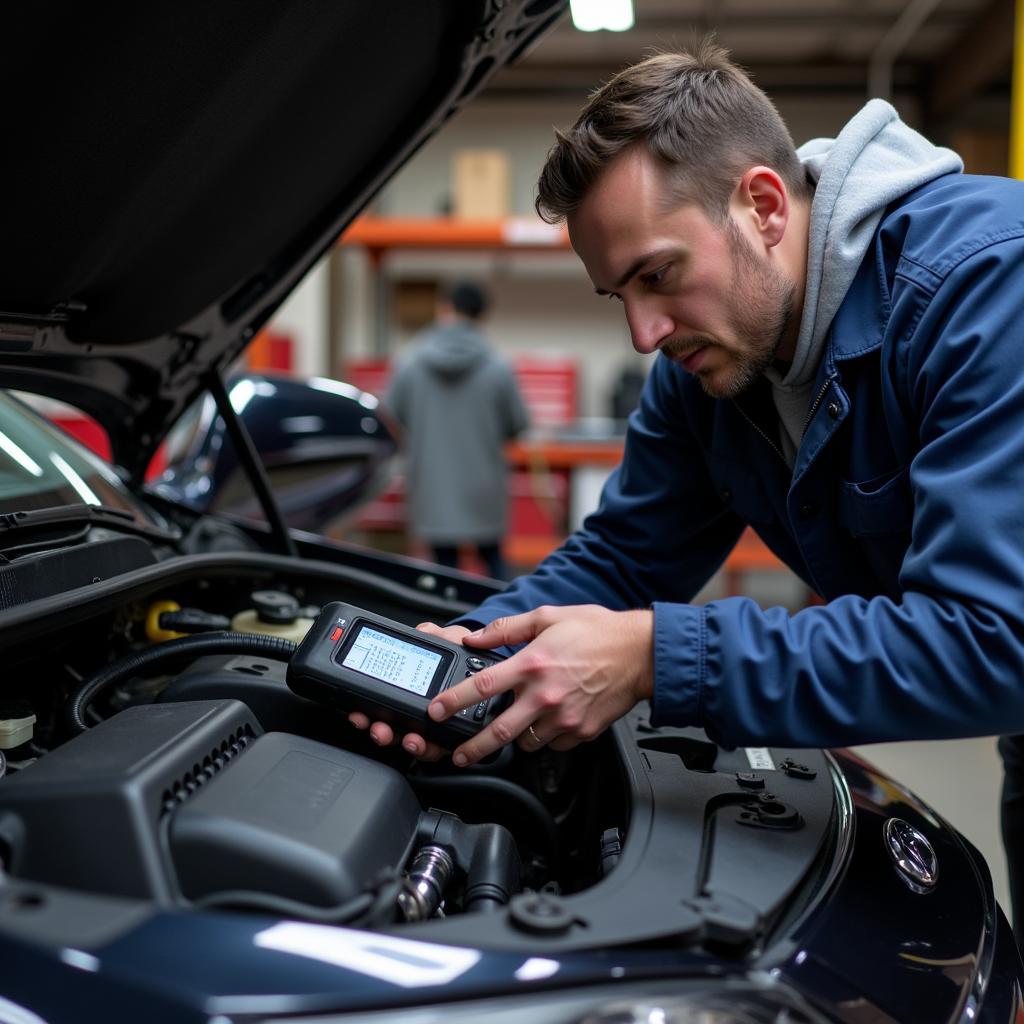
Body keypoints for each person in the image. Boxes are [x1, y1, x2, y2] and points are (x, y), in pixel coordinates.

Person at [355, 43, 1024, 939]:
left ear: (763, 205)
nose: (642, 333)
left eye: (658, 275)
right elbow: (627, 556)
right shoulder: (710, 364)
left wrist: (652, 658)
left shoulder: (985, 286)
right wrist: (473, 664)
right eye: (615, 296)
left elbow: (993, 639)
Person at [385, 281, 529, 581]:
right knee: (494, 567)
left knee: (443, 572)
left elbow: (390, 418)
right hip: (483, 488)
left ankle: (444, 627)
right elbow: (518, 424)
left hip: (431, 485)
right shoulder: (498, 365)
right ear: (482, 316)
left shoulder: (410, 361)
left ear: (445, 308)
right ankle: (503, 624)